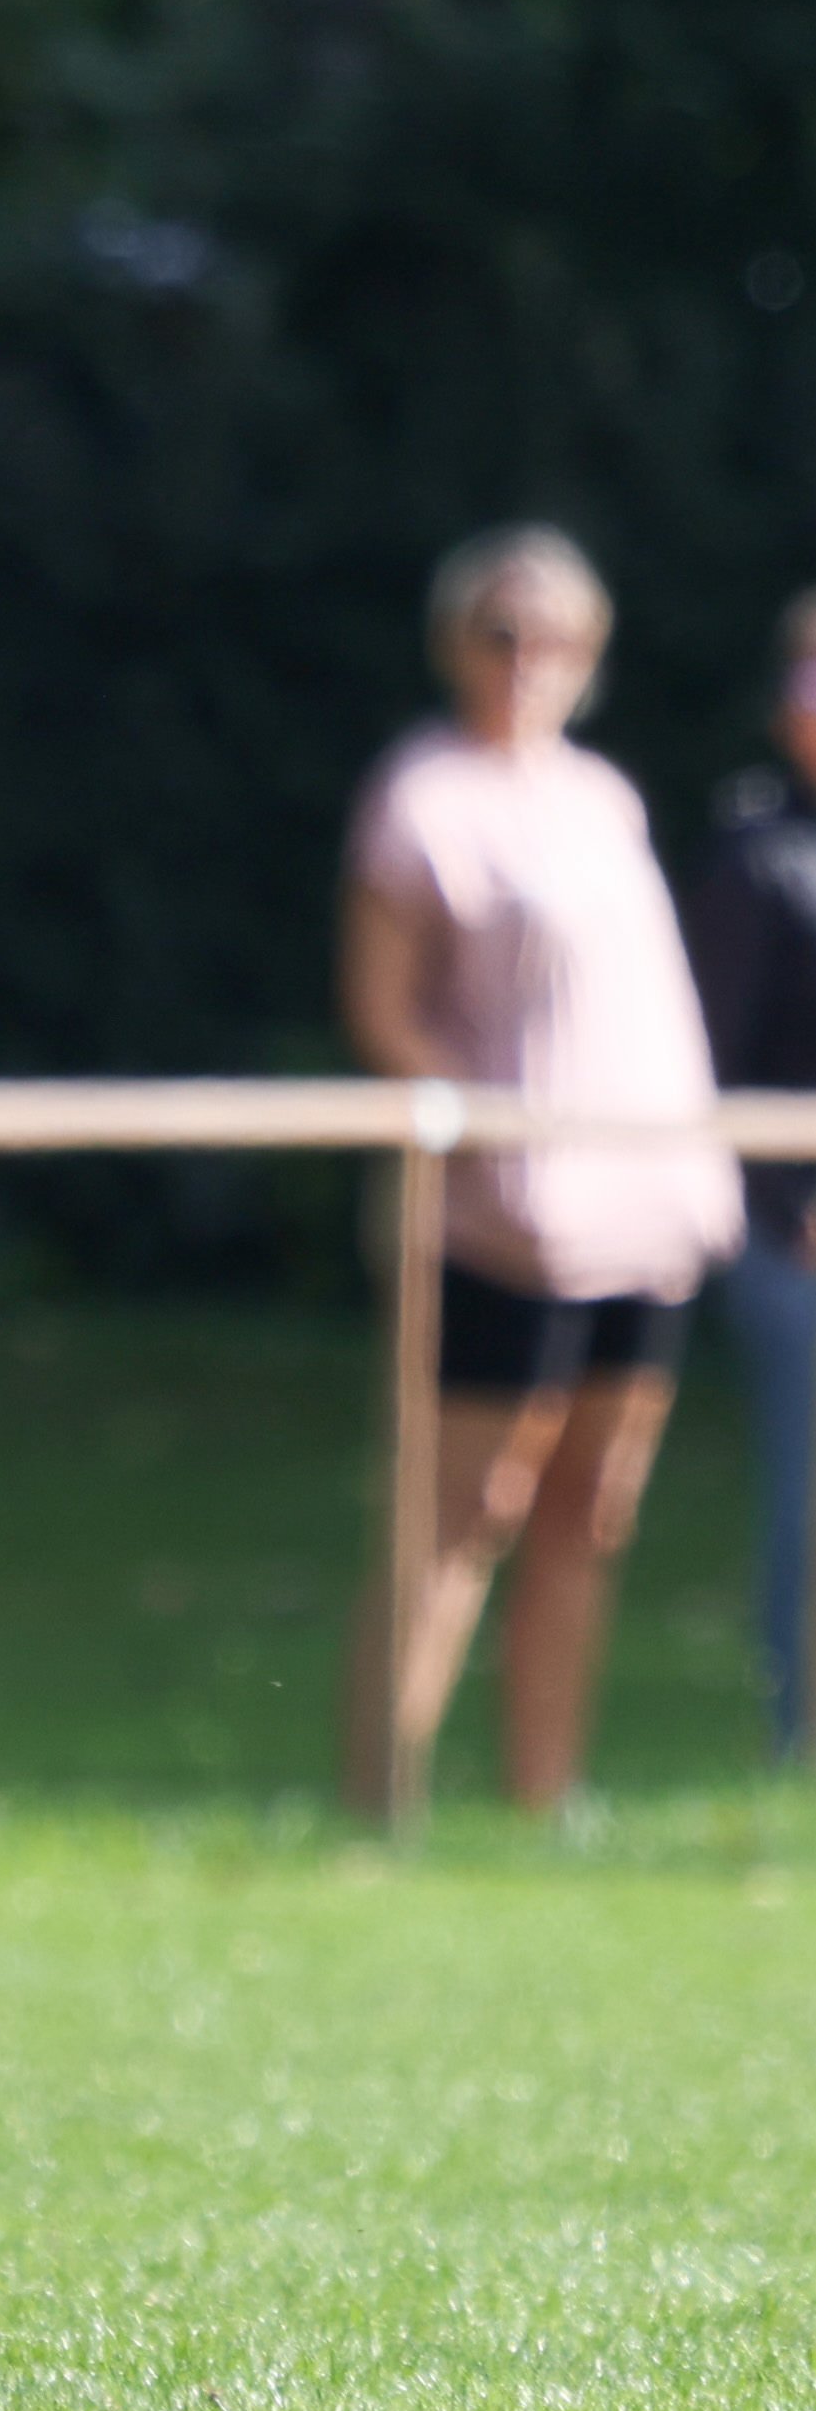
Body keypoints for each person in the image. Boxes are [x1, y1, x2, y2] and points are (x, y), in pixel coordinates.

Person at [342, 527, 739, 1816]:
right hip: (508, 1220)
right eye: (503, 633)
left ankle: (544, 1799)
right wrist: (492, 1129)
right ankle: (383, 1797)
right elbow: (384, 1012)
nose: (529, 660)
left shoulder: (604, 798)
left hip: (644, 1206)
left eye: (558, 636)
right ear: (456, 643)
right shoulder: (422, 797)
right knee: (466, 1510)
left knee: (593, 1509)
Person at [691, 587, 816, 1766]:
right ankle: (800, 1740)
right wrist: (790, 1207)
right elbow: (708, 1068)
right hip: (796, 1235)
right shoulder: (757, 856)